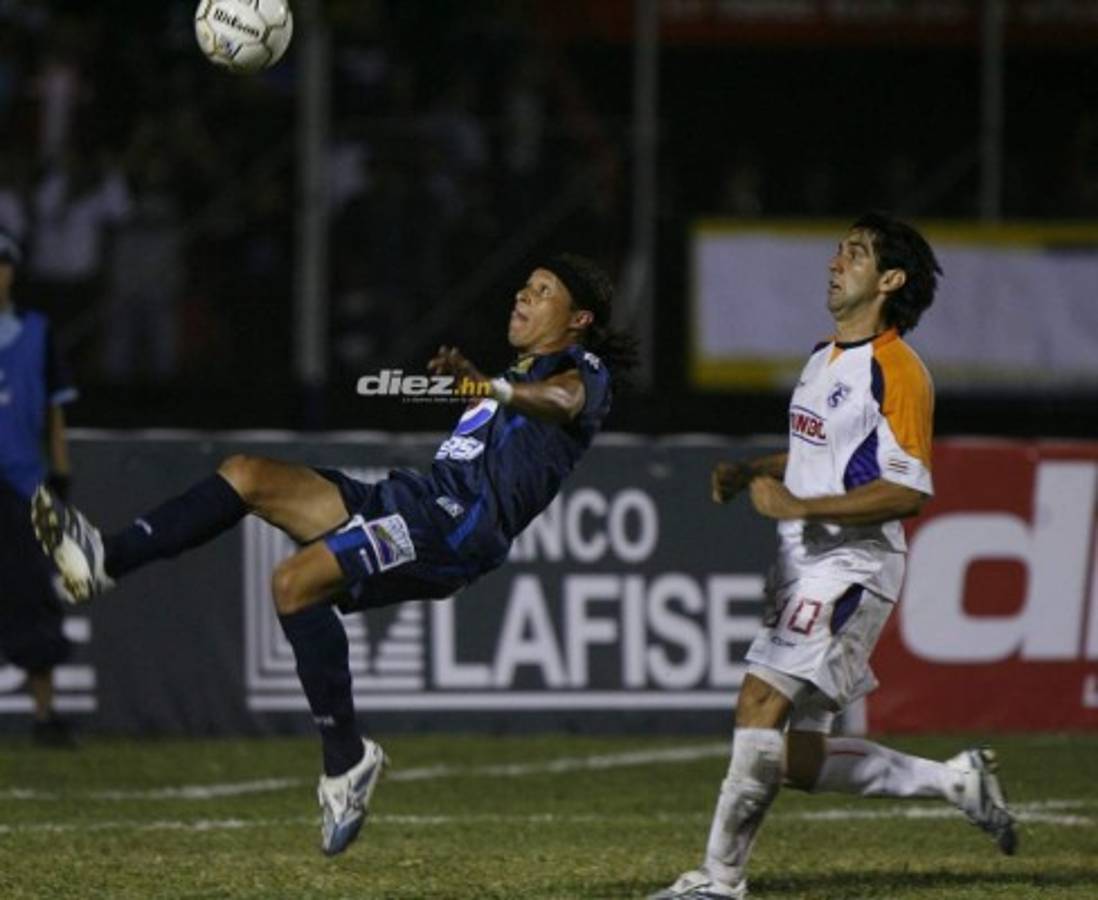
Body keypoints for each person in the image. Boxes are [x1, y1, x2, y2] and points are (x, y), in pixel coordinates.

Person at [31, 253, 636, 854]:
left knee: (293, 584)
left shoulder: (580, 373)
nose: (522, 296)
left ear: (578, 318)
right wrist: (493, 385)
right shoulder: (518, 373)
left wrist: (494, 387)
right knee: (246, 475)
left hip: (451, 530)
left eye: (542, 290)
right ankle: (105, 559)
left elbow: (561, 401)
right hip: (414, 499)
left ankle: (345, 759)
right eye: (525, 285)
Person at [650, 213, 1015, 900]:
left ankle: (718, 883)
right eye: (838, 250)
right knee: (797, 758)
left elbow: (907, 489)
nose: (834, 263)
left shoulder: (898, 370)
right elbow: (826, 457)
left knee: (758, 704)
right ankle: (955, 780)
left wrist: (803, 508)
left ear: (890, 280)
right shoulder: (825, 358)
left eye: (854, 254)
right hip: (805, 560)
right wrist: (752, 469)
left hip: (850, 566)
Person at [0, 226, 79, 747]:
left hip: (23, 483)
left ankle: (45, 716)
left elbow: (56, 414)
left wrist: (61, 477)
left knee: (33, 597)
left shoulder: (38, 332)